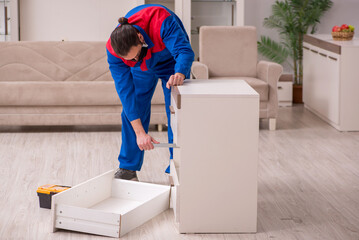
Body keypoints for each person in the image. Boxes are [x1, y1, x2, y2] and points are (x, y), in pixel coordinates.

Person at [106, 4, 194, 181]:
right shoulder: (114, 51)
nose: (133, 59)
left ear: (140, 37)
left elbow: (184, 51)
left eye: (135, 55)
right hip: (142, 68)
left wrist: (180, 73)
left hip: (170, 61)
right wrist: (140, 133)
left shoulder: (161, 20)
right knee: (133, 107)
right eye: (129, 59)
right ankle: (128, 168)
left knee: (176, 111)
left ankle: (175, 166)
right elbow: (126, 93)